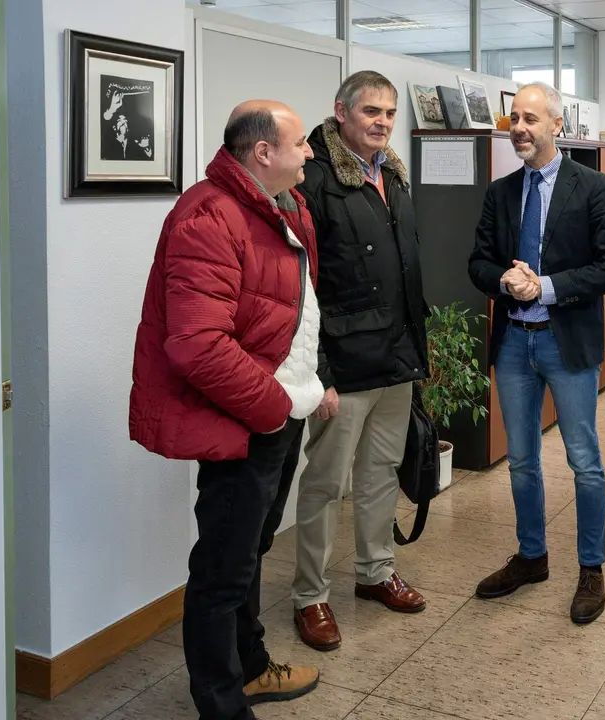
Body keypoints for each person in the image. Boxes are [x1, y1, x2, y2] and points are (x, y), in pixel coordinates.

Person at [129, 100, 323, 720]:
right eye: (299, 143)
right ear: (262, 152)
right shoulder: (208, 215)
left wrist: (311, 385)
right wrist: (271, 409)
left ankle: (253, 668)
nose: (310, 152)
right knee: (221, 567)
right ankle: (220, 702)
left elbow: (294, 312)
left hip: (280, 409)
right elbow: (197, 344)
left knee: (250, 552)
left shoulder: (284, 208)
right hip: (246, 419)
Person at [467, 82, 605, 624]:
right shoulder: (501, 192)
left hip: (566, 342)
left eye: (532, 119)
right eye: (515, 118)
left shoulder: (594, 187)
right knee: (520, 460)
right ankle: (532, 556)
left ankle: (591, 567)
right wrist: (505, 279)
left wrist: (548, 286)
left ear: (558, 126)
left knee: (584, 461)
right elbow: (478, 263)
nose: (520, 128)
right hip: (514, 341)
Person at [291, 71, 429, 651]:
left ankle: (375, 573)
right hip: (343, 366)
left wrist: (421, 352)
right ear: (340, 111)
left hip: (396, 357)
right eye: (371, 110)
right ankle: (309, 596)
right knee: (324, 485)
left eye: (390, 112)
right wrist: (317, 373)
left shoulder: (391, 173)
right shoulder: (312, 179)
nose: (382, 121)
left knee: (379, 477)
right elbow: (303, 286)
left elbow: (405, 273)